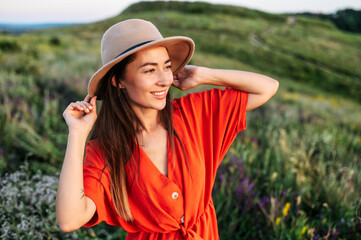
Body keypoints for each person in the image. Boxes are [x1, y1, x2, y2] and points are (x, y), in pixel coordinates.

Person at [55, 19, 279, 239]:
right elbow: (69, 220)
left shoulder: (193, 113)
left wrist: (204, 75)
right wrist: (77, 134)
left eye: (167, 67)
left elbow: (267, 88)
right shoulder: (106, 150)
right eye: (150, 70)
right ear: (118, 80)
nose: (164, 79)